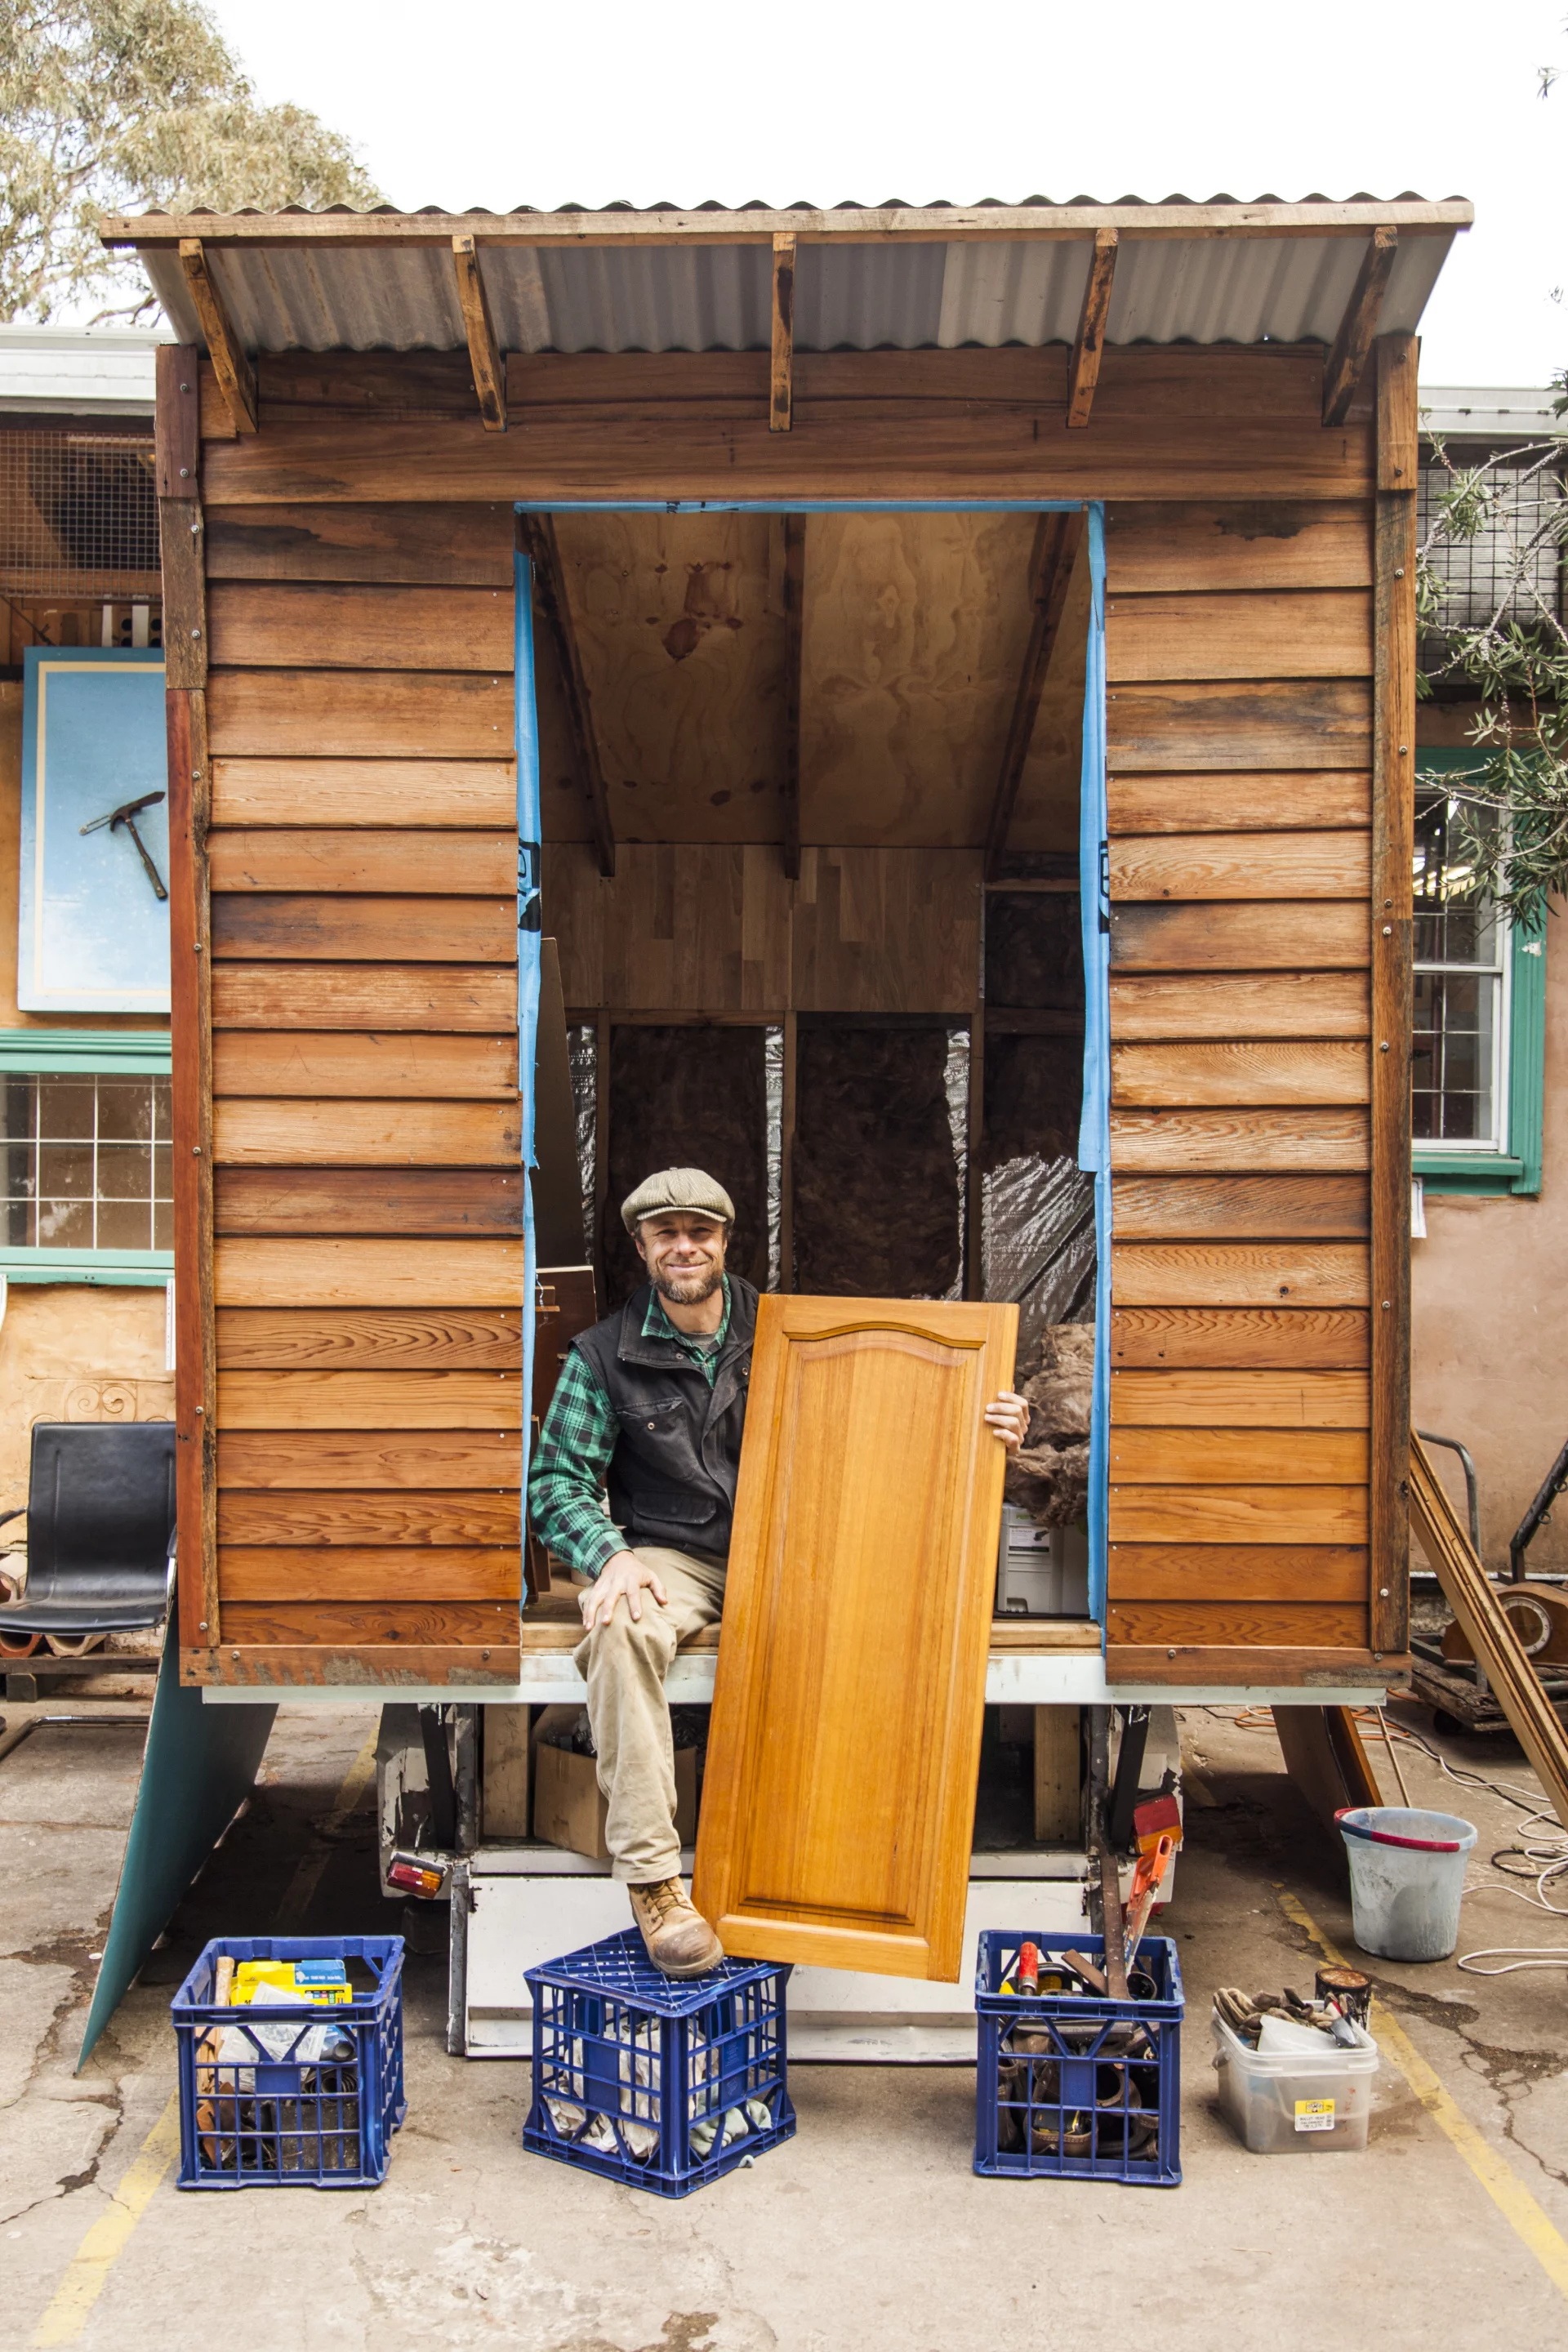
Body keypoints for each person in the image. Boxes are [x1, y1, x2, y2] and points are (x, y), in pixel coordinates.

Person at [528, 1166, 1031, 1976]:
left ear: (726, 1241)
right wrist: (609, 1557)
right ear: (641, 1248)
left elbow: (901, 1415)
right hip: (678, 1553)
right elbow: (554, 1482)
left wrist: (988, 1420)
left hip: (800, 1549)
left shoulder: (800, 1334)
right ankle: (657, 1883)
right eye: (666, 1234)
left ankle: (862, 1882)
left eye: (700, 1231)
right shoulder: (604, 1355)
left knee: (893, 1633)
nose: (684, 1246)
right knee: (619, 1626)